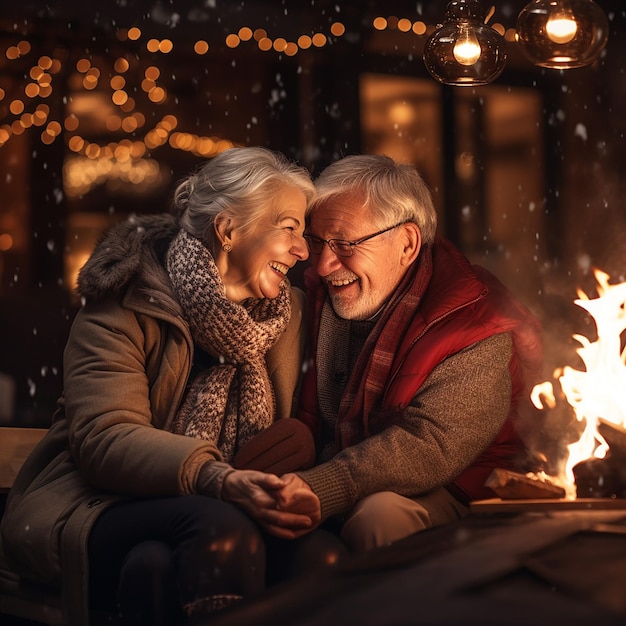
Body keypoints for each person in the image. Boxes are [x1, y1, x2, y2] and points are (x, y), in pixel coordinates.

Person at [0, 146, 345, 626]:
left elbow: (326, 413)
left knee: (319, 554)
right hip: (98, 504)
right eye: (288, 227)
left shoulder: (295, 315)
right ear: (228, 230)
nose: (304, 249)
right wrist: (217, 479)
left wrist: (300, 458)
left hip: (223, 510)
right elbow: (104, 438)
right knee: (218, 529)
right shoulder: (124, 300)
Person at [275, 153, 543, 552]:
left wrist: (321, 484)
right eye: (317, 242)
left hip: (459, 488)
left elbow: (430, 446)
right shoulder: (306, 299)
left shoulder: (474, 322)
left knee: (379, 518)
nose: (325, 264)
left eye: (345, 244)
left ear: (407, 243)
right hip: (336, 469)